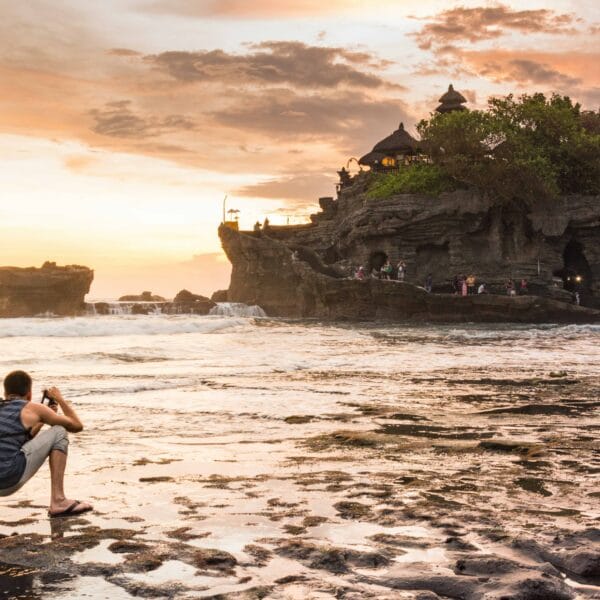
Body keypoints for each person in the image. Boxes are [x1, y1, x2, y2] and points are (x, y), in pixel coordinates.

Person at [0, 370, 92, 518]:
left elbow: (20, 442)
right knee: (59, 431)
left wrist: (41, 419)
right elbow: (76, 425)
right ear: (29, 394)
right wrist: (60, 400)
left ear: (5, 393)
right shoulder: (32, 408)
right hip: (8, 478)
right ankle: (58, 500)